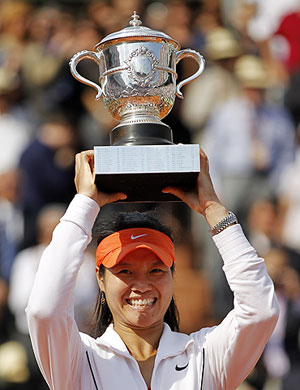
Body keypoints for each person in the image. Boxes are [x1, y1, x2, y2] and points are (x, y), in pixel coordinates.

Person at [26, 149, 279, 390]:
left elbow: (260, 311)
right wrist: (84, 205)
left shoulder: (204, 356)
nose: (142, 284)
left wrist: (213, 209)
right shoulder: (80, 359)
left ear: (172, 276)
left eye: (156, 270)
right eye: (125, 271)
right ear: (100, 280)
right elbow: (44, 309)